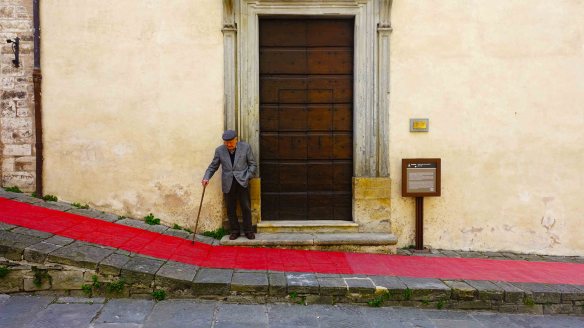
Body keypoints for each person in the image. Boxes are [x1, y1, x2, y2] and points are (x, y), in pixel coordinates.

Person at [202, 130, 257, 240]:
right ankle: (234, 231)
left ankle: (248, 231)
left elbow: (253, 164)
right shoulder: (219, 150)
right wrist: (206, 177)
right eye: (226, 142)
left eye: (231, 142)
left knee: (245, 207)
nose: (228, 144)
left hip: (243, 182)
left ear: (236, 139)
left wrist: (248, 176)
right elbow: (213, 166)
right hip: (228, 183)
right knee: (230, 208)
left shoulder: (245, 147)